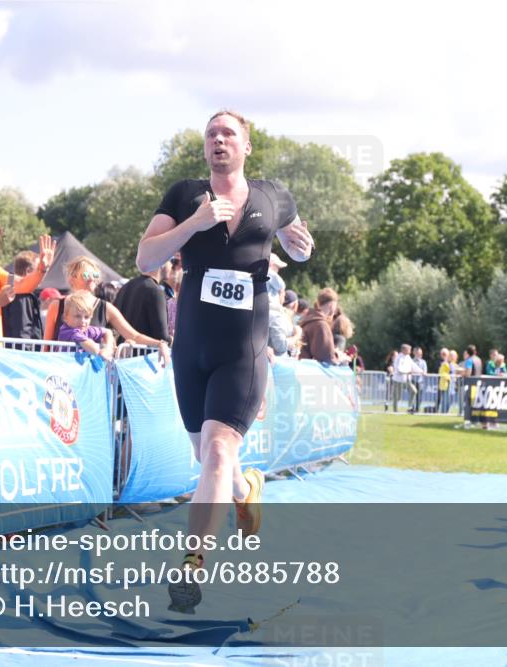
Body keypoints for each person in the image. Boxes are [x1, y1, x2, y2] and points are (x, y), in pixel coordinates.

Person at [134, 110, 314, 613]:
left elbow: (298, 247)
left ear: (246, 145)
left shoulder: (273, 196)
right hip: (192, 347)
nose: (218, 141)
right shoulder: (185, 195)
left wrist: (300, 249)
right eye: (211, 134)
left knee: (216, 450)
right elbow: (145, 260)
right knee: (210, 458)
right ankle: (245, 487)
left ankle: (193, 565)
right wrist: (193, 224)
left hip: (244, 349)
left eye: (227, 134)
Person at [44, 256, 170, 359]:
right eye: (87, 275)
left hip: (93, 376)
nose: (92, 278)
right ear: (73, 278)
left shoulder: (106, 307)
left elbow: (134, 336)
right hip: (62, 374)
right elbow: (46, 346)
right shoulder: (57, 306)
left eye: (95, 275)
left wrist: (160, 343)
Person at [113, 266, 169, 342]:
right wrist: (172, 340)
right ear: (162, 263)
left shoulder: (126, 286)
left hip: (122, 350)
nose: (172, 266)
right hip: (143, 352)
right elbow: (162, 337)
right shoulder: (156, 291)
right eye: (172, 261)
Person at [57, 292, 115, 361]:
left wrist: (108, 347)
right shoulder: (68, 331)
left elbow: (108, 331)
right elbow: (94, 349)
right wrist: (101, 351)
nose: (83, 321)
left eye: (87, 317)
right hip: (63, 367)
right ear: (65, 317)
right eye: (77, 316)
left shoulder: (88, 330)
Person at [299, 288, 339, 363]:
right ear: (331, 305)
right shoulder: (321, 325)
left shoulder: (308, 319)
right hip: (312, 371)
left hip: (303, 367)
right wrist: (339, 358)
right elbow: (326, 357)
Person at [391, 344, 418, 413]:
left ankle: (409, 407)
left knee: (414, 391)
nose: (410, 351)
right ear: (404, 350)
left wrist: (422, 371)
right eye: (409, 350)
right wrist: (407, 372)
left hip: (406, 380)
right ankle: (395, 411)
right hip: (397, 380)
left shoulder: (408, 357)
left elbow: (413, 365)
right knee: (397, 397)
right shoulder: (399, 358)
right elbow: (399, 370)